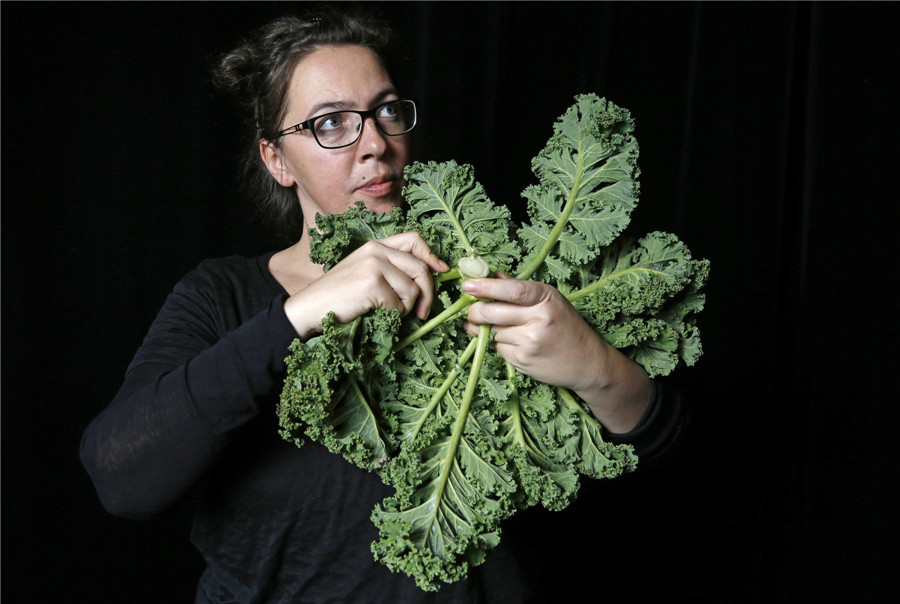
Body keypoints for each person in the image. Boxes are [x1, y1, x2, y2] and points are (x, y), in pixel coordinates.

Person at [81, 8, 685, 603]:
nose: (374, 143)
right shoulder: (224, 297)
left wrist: (596, 367)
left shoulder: (498, 278)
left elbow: (665, 455)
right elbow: (122, 477)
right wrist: (300, 313)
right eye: (330, 123)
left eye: (386, 111)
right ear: (276, 159)